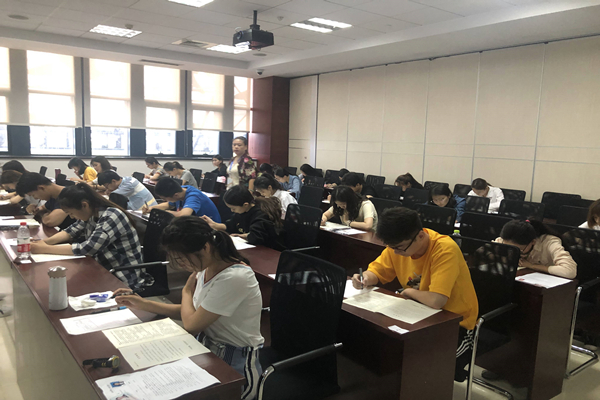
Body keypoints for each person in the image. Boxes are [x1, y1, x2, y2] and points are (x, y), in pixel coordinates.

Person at [113, 217, 263, 400]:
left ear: (205, 247)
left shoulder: (234, 277)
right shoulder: (206, 266)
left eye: (182, 259)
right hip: (207, 349)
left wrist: (186, 291)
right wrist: (144, 304)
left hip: (235, 361)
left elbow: (192, 324)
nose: (182, 265)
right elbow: (193, 312)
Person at [351, 207, 478, 382]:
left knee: (423, 364)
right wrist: (365, 278)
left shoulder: (444, 249)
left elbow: (437, 300)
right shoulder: (398, 245)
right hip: (418, 314)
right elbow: (377, 272)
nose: (396, 252)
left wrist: (409, 292)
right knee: (386, 349)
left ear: (420, 236)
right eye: (392, 248)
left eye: (399, 248)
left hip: (455, 323)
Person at [30, 183, 147, 288]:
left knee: (71, 287)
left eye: (71, 213)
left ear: (84, 205)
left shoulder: (111, 215)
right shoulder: (91, 213)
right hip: (101, 267)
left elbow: (88, 248)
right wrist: (44, 242)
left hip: (122, 275)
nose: (71, 217)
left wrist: (44, 248)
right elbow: (70, 231)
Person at [202, 185, 282, 250]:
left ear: (245, 205)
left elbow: (256, 237)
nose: (232, 211)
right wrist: (214, 225)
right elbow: (231, 225)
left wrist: (243, 236)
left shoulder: (261, 214)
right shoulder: (242, 211)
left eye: (233, 208)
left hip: (268, 250)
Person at [495, 219, 577, 279]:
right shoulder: (507, 239)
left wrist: (532, 266)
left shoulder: (550, 243)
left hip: (547, 284)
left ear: (533, 242)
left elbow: (569, 271)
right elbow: (488, 252)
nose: (513, 252)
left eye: (519, 250)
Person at [144, 177, 221, 220]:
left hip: (211, 228)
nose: (164, 200)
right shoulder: (181, 190)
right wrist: (151, 208)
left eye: (165, 198)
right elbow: (168, 205)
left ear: (176, 195)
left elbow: (183, 215)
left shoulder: (193, 196)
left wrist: (160, 212)